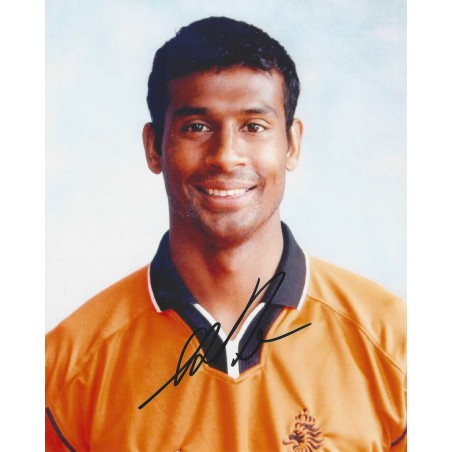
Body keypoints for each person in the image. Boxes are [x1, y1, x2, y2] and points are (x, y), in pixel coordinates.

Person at [45, 16, 406, 451]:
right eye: (197, 127)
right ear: (154, 147)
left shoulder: (396, 347)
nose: (225, 156)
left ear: (291, 144)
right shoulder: (64, 371)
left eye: (254, 126)